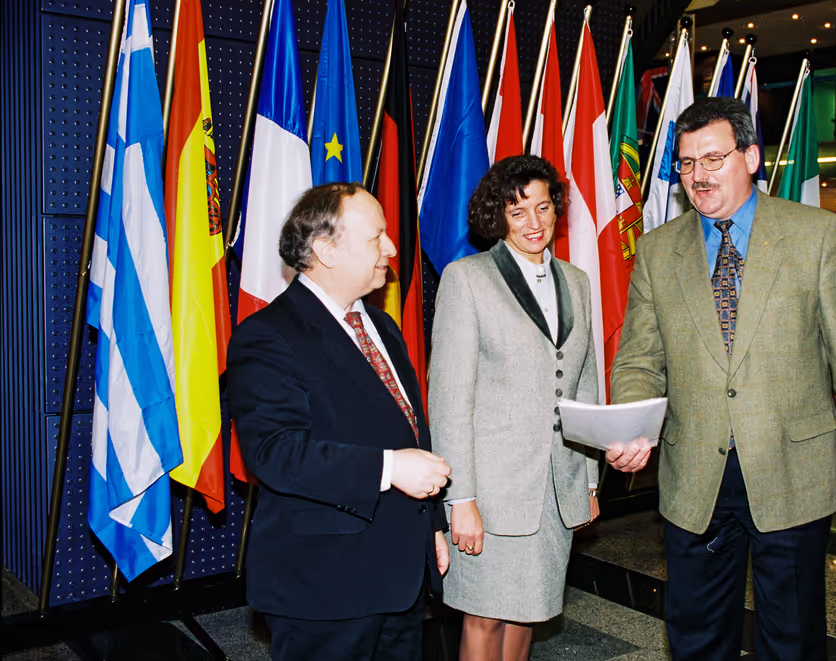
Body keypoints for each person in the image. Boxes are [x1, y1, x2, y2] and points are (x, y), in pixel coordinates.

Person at [606, 98, 836, 660]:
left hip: (795, 473)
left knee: (791, 640)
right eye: (686, 164)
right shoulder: (657, 251)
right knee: (695, 637)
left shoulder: (816, 236)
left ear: (751, 157)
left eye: (712, 159)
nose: (698, 176)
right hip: (694, 475)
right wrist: (633, 423)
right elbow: (640, 358)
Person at [227, 183, 452, 661]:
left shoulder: (382, 326)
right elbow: (276, 454)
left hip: (401, 578)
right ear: (326, 250)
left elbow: (409, 429)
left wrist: (431, 525)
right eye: (377, 237)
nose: (391, 248)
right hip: (326, 589)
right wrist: (389, 469)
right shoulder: (268, 335)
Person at [429, 155, 601, 661]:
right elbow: (450, 400)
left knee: (531, 611)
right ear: (497, 215)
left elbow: (585, 385)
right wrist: (460, 499)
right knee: (484, 616)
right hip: (490, 491)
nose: (534, 223)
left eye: (543, 208)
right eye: (518, 210)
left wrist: (589, 480)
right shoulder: (468, 279)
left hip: (556, 486)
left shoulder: (577, 281)